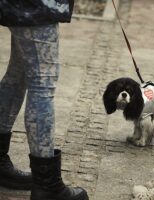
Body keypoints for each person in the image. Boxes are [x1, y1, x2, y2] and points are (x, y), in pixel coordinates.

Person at [0, 1, 89, 200]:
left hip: (24, 6)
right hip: (35, 5)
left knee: (18, 74)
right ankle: (47, 186)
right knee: (42, 82)